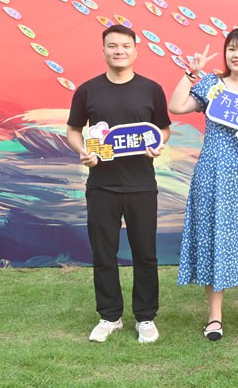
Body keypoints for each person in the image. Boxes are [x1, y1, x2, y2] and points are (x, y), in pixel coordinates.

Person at [168, 28, 238, 341]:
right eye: (232, 49)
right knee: (213, 236)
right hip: (212, 172)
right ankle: (214, 317)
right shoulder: (212, 86)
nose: (237, 55)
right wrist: (191, 73)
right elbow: (177, 106)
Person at [66, 24, 171, 344]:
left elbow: (163, 129)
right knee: (104, 253)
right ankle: (110, 316)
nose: (119, 51)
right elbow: (73, 130)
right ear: (103, 51)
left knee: (145, 254)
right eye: (112, 46)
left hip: (141, 185)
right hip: (102, 186)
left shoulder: (151, 90)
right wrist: (83, 151)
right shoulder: (87, 91)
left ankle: (145, 317)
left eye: (125, 46)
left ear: (136, 50)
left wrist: (158, 144)